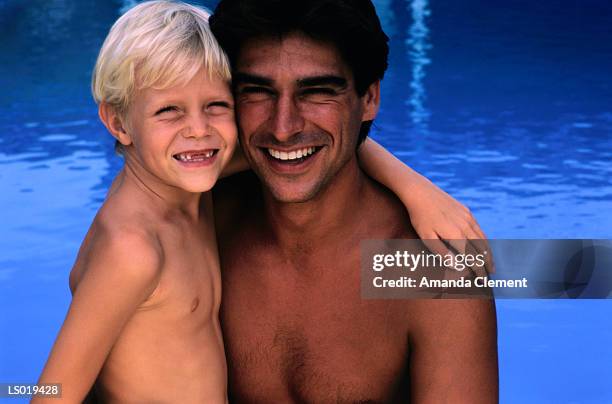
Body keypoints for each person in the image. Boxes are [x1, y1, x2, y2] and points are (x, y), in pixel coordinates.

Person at [209, 0, 499, 402]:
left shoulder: (437, 271)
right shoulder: (199, 224)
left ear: (370, 99)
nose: (283, 127)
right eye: (258, 91)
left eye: (317, 92)